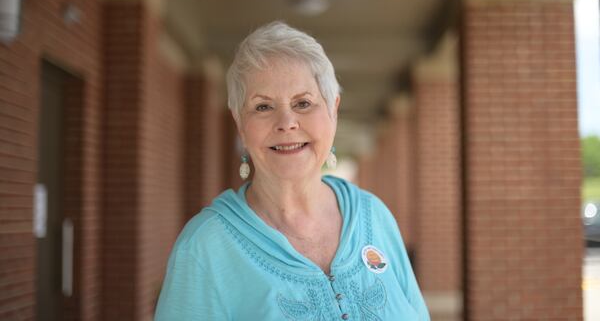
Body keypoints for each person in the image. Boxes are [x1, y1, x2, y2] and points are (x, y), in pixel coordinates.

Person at [154, 21, 430, 320]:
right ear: (240, 124)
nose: (286, 122)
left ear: (333, 110)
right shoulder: (204, 248)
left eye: (303, 103)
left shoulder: (374, 216)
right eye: (263, 107)